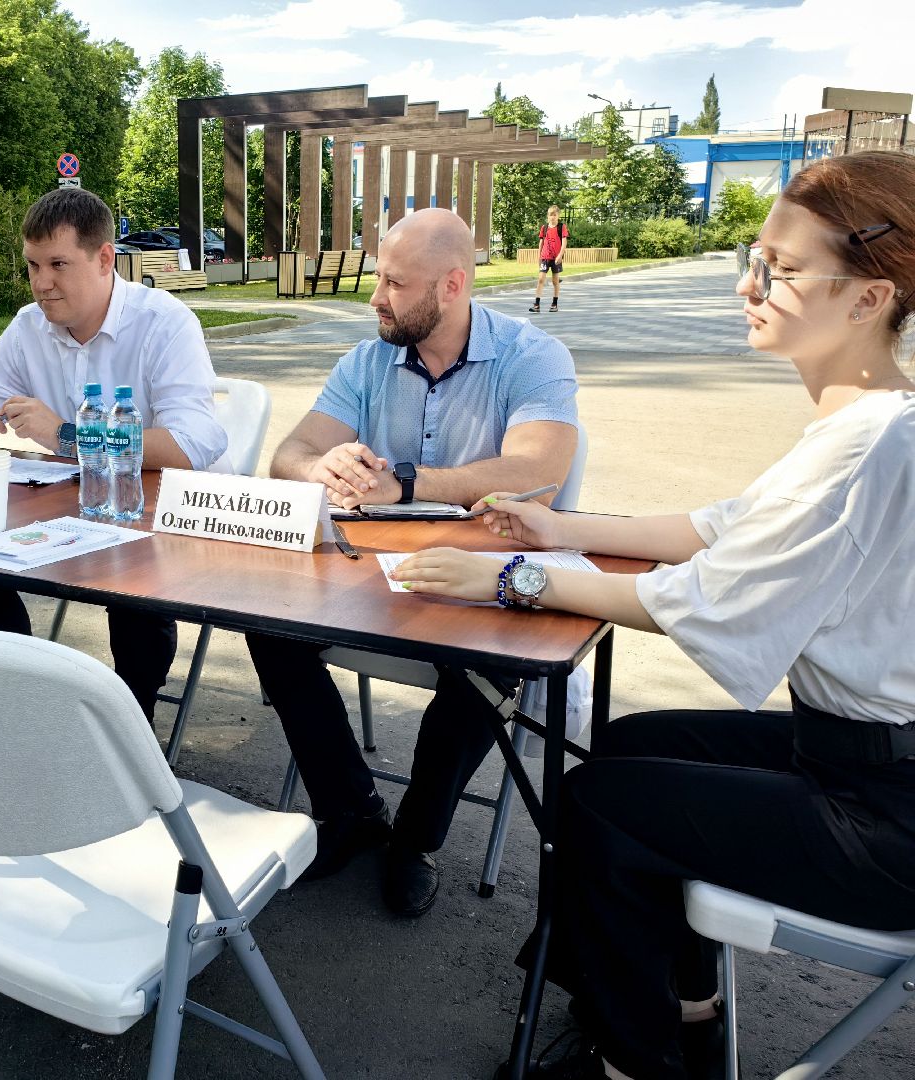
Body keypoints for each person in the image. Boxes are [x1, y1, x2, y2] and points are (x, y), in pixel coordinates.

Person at [391, 151, 915, 1079]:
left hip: (884, 817)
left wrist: (517, 577)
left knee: (599, 805)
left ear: (870, 298)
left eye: (784, 271)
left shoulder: (868, 443)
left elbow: (700, 600)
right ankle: (689, 1009)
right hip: (854, 755)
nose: (752, 285)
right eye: (753, 260)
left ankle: (633, 1060)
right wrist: (562, 525)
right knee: (633, 747)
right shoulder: (869, 422)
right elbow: (717, 528)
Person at [244, 208, 578, 917]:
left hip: (490, 576)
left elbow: (537, 470)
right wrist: (321, 463)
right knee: (267, 621)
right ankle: (351, 811)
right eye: (378, 278)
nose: (375, 297)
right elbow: (287, 457)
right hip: (380, 573)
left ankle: (415, 841)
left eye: (394, 283)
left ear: (452, 286)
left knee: (489, 665)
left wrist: (407, 479)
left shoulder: (531, 357)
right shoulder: (366, 361)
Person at [0, 187, 228, 719]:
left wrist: (68, 436)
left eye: (58, 265)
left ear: (104, 258)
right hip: (73, 505)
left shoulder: (164, 322)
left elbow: (194, 443)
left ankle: (127, 725)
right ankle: (27, 691)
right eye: (32, 265)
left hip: (154, 513)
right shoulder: (29, 326)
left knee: (131, 588)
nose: (42, 284)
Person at [530, 205, 569, 313]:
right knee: (541, 279)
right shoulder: (545, 227)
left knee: (555, 281)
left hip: (556, 258)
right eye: (550, 215)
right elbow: (541, 242)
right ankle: (537, 304)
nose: (552, 217)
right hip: (545, 257)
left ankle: (554, 304)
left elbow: (564, 242)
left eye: (554, 215)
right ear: (548, 216)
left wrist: (560, 255)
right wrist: (539, 257)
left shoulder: (562, 227)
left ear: (558, 216)